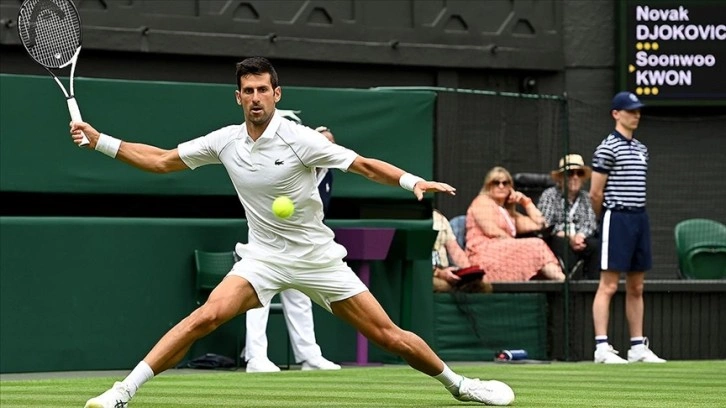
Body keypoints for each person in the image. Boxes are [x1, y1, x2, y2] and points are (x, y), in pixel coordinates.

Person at [76, 57, 514, 407]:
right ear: (238, 97)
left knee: (388, 335)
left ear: (276, 93)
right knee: (204, 318)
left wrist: (411, 181)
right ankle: (123, 391)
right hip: (263, 258)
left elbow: (361, 164)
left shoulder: (300, 139)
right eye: (247, 91)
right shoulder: (225, 141)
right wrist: (100, 141)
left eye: (262, 90)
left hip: (316, 258)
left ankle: (460, 385)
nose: (255, 98)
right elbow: (161, 160)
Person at [240, 110, 340, 372]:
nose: (327, 148)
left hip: (300, 243)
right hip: (267, 239)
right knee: (257, 296)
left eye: (331, 144)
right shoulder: (287, 161)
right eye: (323, 142)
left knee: (300, 297)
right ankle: (255, 358)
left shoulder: (327, 172)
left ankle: (309, 358)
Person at [589, 91, 665, 364]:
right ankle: (601, 347)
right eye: (630, 111)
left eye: (637, 111)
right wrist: (604, 219)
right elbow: (595, 193)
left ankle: (636, 347)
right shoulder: (607, 147)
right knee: (608, 285)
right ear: (616, 114)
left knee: (637, 286)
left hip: (639, 219)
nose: (636, 115)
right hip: (616, 217)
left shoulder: (642, 148)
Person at [466, 166, 565, 282]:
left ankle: (562, 279)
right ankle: (562, 279)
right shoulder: (481, 201)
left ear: (510, 187)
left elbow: (540, 224)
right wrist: (519, 246)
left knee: (535, 245)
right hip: (483, 253)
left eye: (505, 183)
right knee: (535, 245)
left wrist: (525, 201)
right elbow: (492, 231)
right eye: (496, 183)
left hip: (504, 251)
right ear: (488, 186)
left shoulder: (508, 213)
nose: (501, 186)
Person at [538, 154, 600, 279]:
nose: (575, 177)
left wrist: (580, 237)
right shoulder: (549, 195)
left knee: (596, 245)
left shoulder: (586, 198)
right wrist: (569, 237)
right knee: (560, 243)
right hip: (559, 239)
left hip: (580, 239)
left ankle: (592, 286)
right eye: (570, 173)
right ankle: (570, 282)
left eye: (579, 173)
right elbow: (546, 224)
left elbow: (590, 223)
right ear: (560, 178)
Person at [432, 210, 491, 293]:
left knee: (483, 285)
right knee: (444, 286)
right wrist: (439, 273)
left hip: (446, 271)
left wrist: (469, 272)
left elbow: (455, 250)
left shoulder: (439, 217)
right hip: (427, 273)